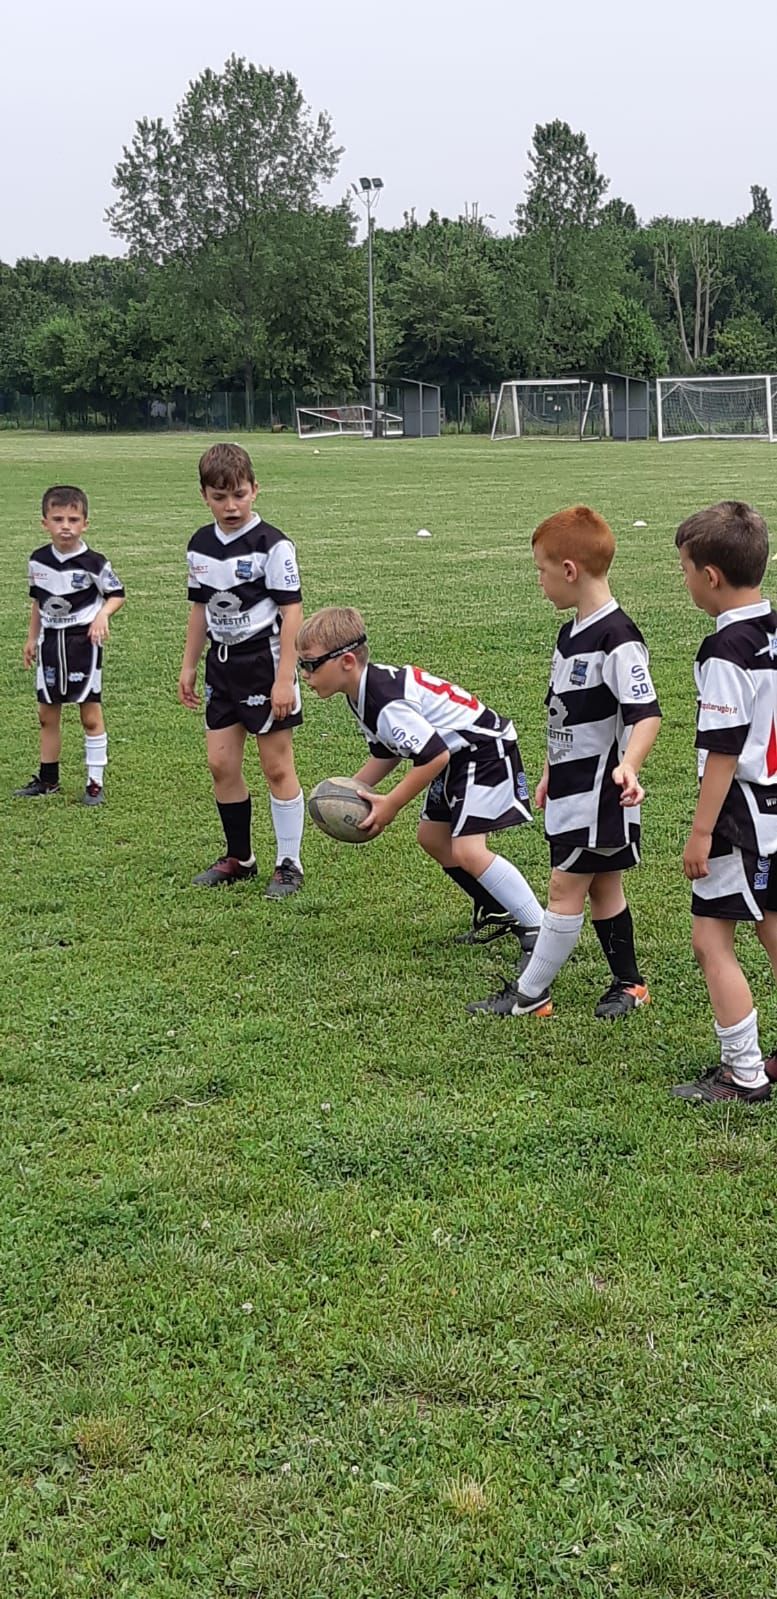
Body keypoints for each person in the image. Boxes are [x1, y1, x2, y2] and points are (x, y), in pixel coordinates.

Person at [468, 505, 661, 1020]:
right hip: (572, 786)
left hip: (602, 793)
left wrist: (631, 767)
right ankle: (630, 984)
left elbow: (647, 715)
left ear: (570, 570)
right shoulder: (570, 633)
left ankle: (531, 995)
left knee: (563, 884)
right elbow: (564, 711)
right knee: (603, 885)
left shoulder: (617, 639)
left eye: (541, 571)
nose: (540, 581)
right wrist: (553, 767)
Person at [296, 606, 544, 946]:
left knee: (470, 851)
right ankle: (498, 909)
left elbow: (433, 755)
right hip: (455, 754)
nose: (304, 674)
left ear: (347, 661)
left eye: (310, 664)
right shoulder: (361, 693)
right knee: (432, 838)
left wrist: (391, 805)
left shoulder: (384, 702)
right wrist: (351, 791)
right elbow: (387, 752)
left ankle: (539, 930)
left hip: (481, 749)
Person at [670, 502, 777, 1104]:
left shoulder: (725, 653)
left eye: (685, 569)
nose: (685, 581)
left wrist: (701, 832)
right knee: (773, 929)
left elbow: (723, 750)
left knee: (712, 940)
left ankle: (744, 1072)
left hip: (742, 817)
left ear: (709, 576)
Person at [178, 442, 305, 896]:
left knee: (275, 765)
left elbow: (292, 613)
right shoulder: (200, 545)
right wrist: (190, 664)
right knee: (220, 763)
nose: (230, 506)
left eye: (239, 494)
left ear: (255, 490)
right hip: (222, 665)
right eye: (219, 496)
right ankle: (239, 857)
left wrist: (285, 678)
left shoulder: (273, 545)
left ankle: (289, 864)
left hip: (264, 662)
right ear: (204, 496)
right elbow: (199, 609)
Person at [14, 485, 125, 805]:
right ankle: (48, 779)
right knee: (47, 714)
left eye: (73, 519)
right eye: (58, 518)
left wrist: (103, 615)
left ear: (85, 524)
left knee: (89, 714)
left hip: (83, 643)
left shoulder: (94, 562)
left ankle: (94, 781)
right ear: (44, 522)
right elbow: (38, 603)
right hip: (51, 643)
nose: (66, 525)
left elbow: (116, 594)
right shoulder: (38, 561)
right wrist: (32, 637)